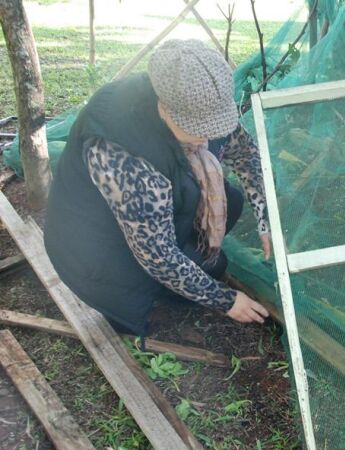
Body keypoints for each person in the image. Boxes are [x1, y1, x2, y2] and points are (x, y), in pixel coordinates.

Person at [44, 39, 270, 342]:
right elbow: (157, 254)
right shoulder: (123, 149)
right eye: (199, 128)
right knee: (132, 292)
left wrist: (266, 220)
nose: (209, 137)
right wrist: (226, 301)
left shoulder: (203, 103)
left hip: (149, 221)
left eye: (216, 125)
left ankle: (179, 280)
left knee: (230, 203)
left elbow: (246, 154)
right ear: (164, 107)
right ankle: (135, 300)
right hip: (96, 247)